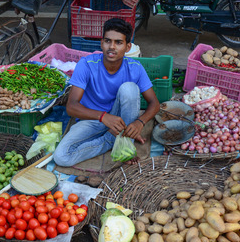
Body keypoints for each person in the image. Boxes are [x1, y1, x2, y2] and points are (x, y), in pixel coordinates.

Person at [53, 18, 160, 167]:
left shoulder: (135, 68)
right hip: (92, 118)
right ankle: (111, 140)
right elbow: (71, 107)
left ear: (128, 47)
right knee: (61, 157)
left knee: (129, 88)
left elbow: (154, 104)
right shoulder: (87, 65)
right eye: (108, 41)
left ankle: (124, 145)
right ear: (101, 43)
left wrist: (139, 123)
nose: (112, 47)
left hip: (121, 121)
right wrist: (103, 117)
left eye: (118, 42)